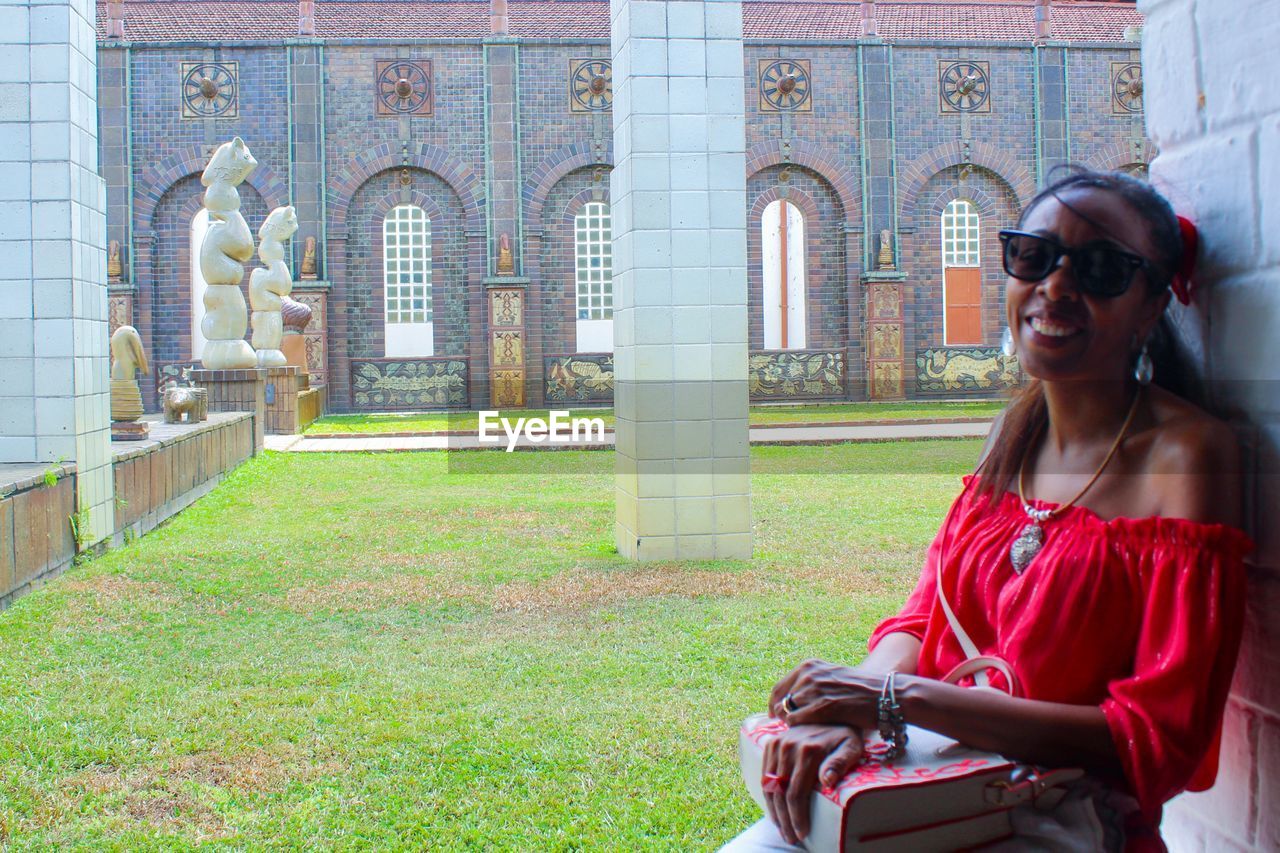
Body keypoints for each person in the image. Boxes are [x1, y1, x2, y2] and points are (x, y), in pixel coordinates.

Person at [723, 169, 1252, 852]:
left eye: (1100, 269)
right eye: (1033, 256)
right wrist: (849, 711)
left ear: (1152, 302)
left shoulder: (1186, 456)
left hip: (1059, 820)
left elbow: (1157, 737)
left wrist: (894, 702)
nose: (1056, 286)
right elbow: (922, 620)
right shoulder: (1015, 434)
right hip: (932, 788)